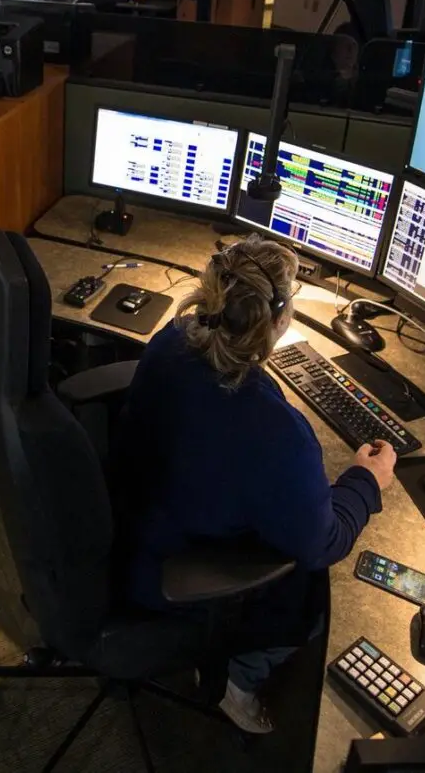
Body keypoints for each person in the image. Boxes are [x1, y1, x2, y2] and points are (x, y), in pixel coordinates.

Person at [112, 237, 396, 735]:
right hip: (173, 573)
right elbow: (321, 542)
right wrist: (365, 482)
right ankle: (237, 682)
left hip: (131, 521)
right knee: (309, 593)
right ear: (280, 319)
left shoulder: (170, 340)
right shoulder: (276, 433)